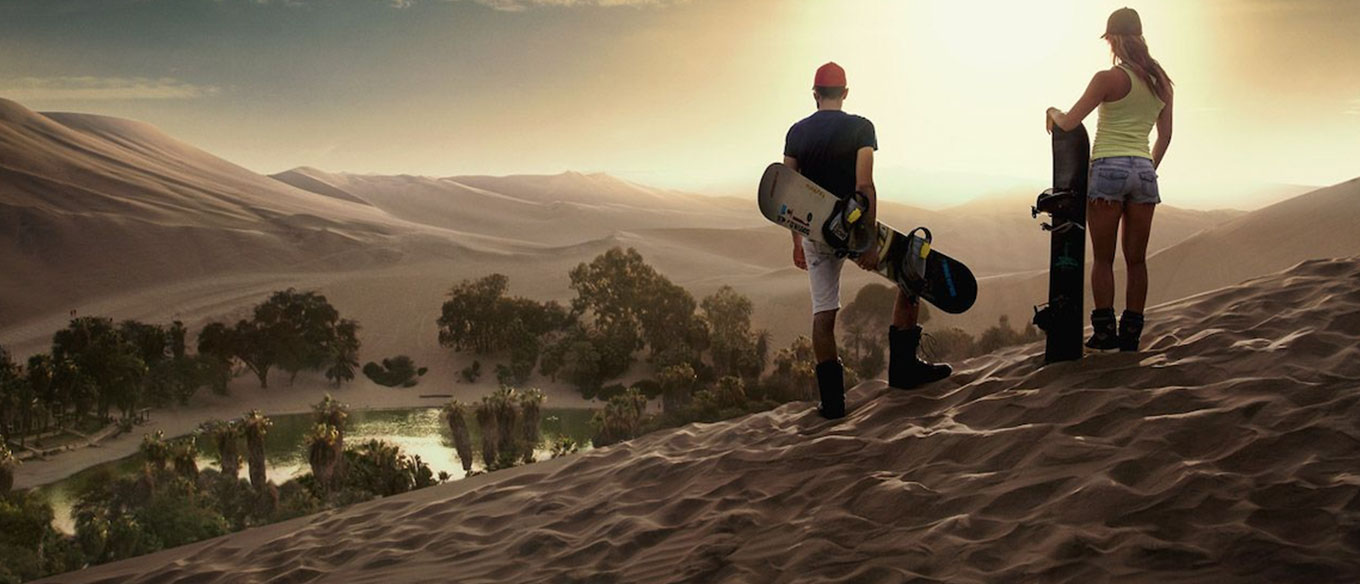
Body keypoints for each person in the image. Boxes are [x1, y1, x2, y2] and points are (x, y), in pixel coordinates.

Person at [784, 62, 951, 420]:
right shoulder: (861, 127)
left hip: (816, 235)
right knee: (911, 273)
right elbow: (864, 185)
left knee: (823, 314)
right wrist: (870, 242)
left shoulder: (796, 132)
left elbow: (788, 193)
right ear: (845, 93)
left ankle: (833, 404)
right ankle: (904, 370)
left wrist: (797, 241)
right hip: (855, 226)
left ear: (815, 94)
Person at [1046, 7, 1174, 352]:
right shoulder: (1162, 83)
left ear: (1113, 39)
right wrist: (1146, 168)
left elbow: (1069, 122)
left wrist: (1052, 112)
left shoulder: (1108, 79)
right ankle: (1131, 334)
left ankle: (1104, 333)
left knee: (1103, 258)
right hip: (1144, 171)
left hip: (1108, 169)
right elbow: (1165, 136)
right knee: (1137, 260)